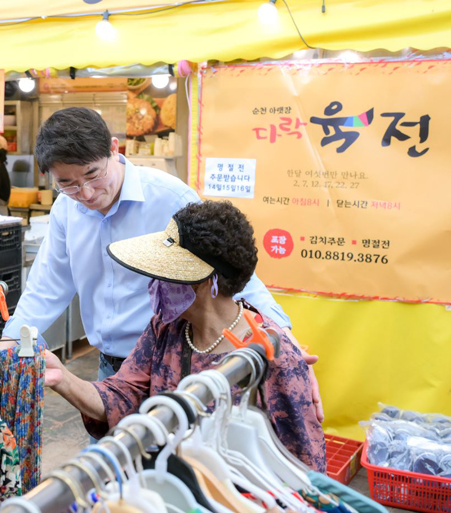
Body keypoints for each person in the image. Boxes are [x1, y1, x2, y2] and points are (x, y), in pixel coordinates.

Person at [0, 107, 323, 422]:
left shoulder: (168, 196)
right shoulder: (65, 211)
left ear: (114, 149)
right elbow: (46, 288)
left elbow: (235, 274)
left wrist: (283, 343)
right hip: (110, 368)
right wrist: (10, 342)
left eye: (92, 175)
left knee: (174, 457)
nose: (85, 192)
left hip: (168, 361)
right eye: (67, 183)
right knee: (111, 462)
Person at [44, 200, 327, 471]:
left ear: (205, 282)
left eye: (164, 273)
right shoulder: (167, 329)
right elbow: (122, 395)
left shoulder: (271, 354)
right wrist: (63, 379)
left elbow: (302, 466)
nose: (154, 284)